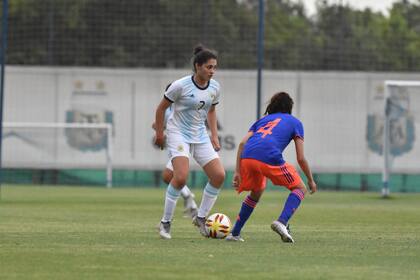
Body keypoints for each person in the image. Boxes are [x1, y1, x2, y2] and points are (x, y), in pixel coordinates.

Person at [154, 45, 225, 239]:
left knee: (219, 176)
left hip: (200, 136)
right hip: (179, 135)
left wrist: (214, 135)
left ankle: (201, 218)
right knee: (180, 177)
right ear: (197, 66)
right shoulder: (180, 85)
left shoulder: (215, 87)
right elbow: (161, 109)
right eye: (209, 67)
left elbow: (211, 110)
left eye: (214, 67)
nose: (212, 71)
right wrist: (160, 134)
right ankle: (165, 223)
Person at [226, 92, 317, 243]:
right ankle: (282, 222)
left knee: (256, 192)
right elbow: (300, 158)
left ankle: (234, 233)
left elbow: (242, 143)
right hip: (268, 156)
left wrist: (237, 171)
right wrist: (310, 180)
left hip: (247, 156)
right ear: (289, 108)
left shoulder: (262, 121)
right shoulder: (295, 122)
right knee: (300, 189)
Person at [153, 84, 198, 219]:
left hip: (182, 146)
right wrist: (160, 129)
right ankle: (191, 203)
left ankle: (188, 199)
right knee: (168, 176)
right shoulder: (167, 110)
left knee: (170, 176)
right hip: (175, 146)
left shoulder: (184, 107)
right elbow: (156, 124)